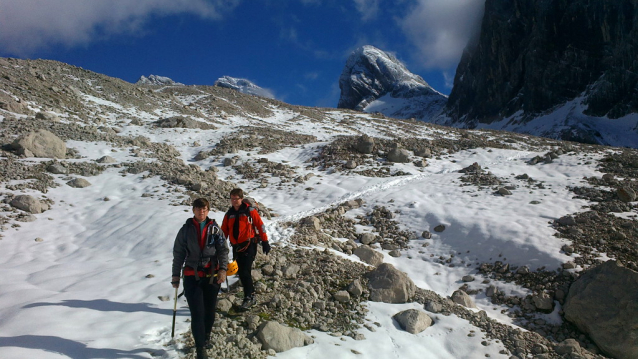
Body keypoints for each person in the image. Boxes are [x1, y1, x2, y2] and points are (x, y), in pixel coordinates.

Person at [172, 198, 228, 359]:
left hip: (212, 276)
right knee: (197, 312)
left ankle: (207, 335)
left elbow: (223, 250)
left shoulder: (215, 229)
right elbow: (179, 253)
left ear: (208, 210)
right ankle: (200, 349)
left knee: (209, 311)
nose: (201, 212)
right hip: (192, 275)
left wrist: (223, 269)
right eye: (198, 209)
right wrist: (176, 276)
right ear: (193, 210)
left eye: (204, 209)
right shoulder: (185, 230)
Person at [221, 188, 271, 309]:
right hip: (236, 247)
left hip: (249, 245)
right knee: (241, 271)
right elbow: (224, 231)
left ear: (241, 198)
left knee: (245, 271)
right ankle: (249, 295)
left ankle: (249, 297)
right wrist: (220, 246)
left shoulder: (250, 211)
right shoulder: (229, 214)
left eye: (236, 199)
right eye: (232, 199)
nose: (234, 201)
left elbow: (260, 225)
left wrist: (265, 241)